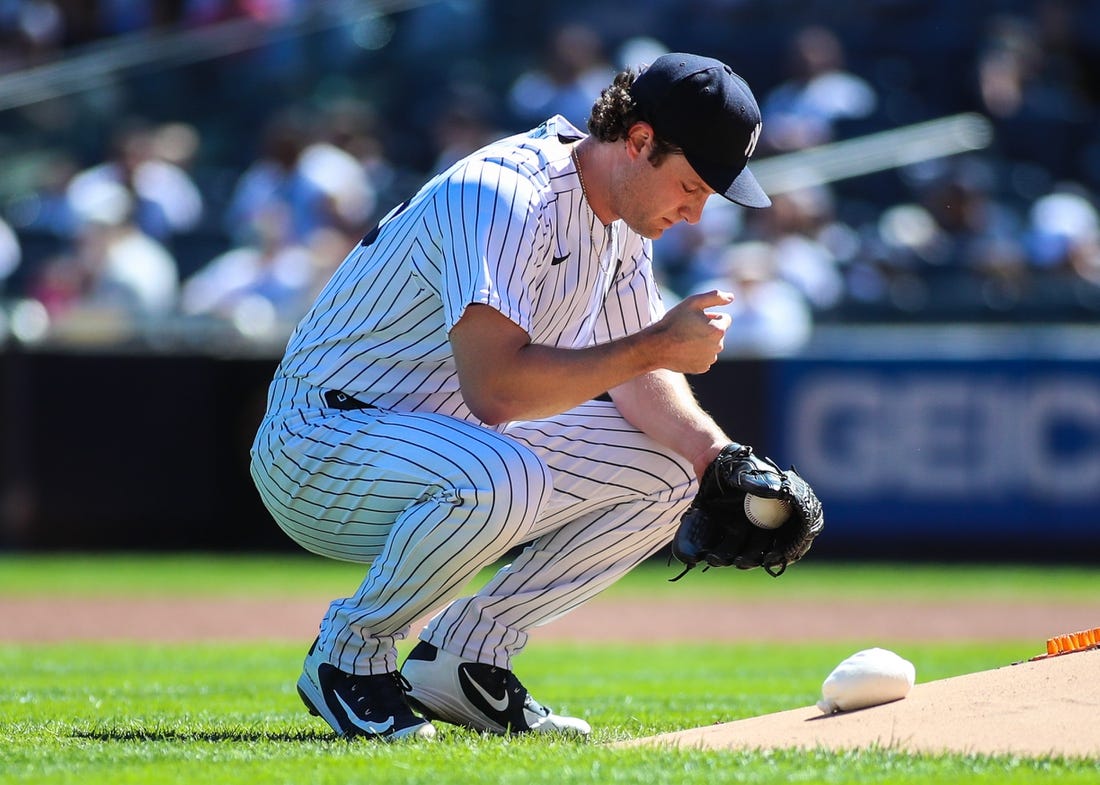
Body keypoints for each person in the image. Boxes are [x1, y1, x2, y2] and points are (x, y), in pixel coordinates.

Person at [249, 53, 772, 742]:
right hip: (319, 440)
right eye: (693, 183)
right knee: (504, 474)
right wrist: (654, 344)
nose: (697, 209)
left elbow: (635, 379)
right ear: (640, 140)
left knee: (671, 473)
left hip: (437, 439)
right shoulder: (503, 192)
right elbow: (496, 391)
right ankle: (349, 656)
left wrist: (723, 460)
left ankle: (466, 657)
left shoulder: (621, 218)